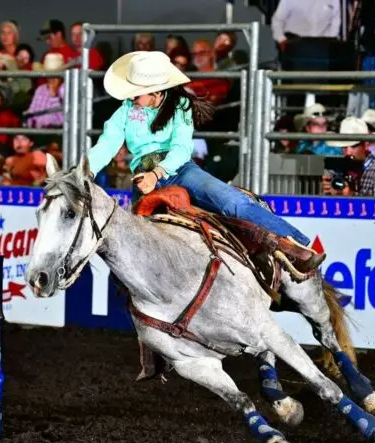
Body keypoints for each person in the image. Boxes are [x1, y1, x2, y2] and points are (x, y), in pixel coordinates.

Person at [85, 51, 325, 276]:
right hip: (144, 177)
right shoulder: (126, 110)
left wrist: (156, 175)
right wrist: (85, 172)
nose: (131, 97)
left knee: (233, 203)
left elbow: (180, 149)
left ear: (156, 91)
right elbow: (107, 144)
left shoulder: (180, 106)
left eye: (136, 93)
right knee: (132, 244)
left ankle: (295, 245)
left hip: (178, 171)